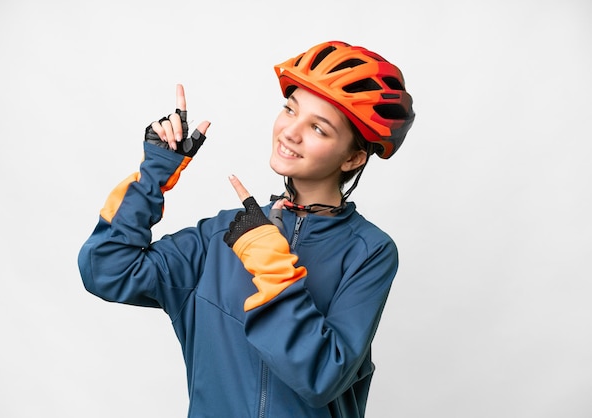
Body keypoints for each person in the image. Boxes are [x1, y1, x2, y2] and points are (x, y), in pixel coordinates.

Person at [78, 40, 415, 417]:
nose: (290, 132)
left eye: (318, 129)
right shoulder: (222, 235)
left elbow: (322, 377)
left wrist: (271, 265)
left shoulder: (369, 251)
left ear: (353, 157)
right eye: (290, 110)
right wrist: (153, 173)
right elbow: (106, 270)